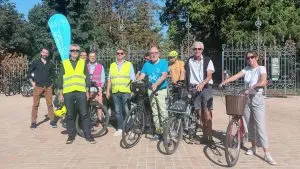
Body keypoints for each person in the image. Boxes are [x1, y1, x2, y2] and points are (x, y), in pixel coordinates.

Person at [219, 50, 277, 165]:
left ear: (256, 57)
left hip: (257, 98)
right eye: (248, 58)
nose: (250, 59)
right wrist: (224, 81)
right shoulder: (247, 69)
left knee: (260, 125)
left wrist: (252, 87)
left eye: (252, 57)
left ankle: (266, 153)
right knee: (249, 124)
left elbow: (263, 81)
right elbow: (236, 76)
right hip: (246, 99)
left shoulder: (261, 68)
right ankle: (253, 147)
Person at [57, 44, 96, 144]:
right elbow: (60, 79)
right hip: (68, 92)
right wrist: (60, 94)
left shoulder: (83, 63)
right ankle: (71, 136)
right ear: (69, 52)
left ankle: (88, 136)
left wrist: (87, 91)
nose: (74, 52)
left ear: (79, 52)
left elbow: (87, 77)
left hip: (81, 91)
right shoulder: (64, 63)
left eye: (77, 50)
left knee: (84, 114)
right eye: (72, 50)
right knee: (69, 115)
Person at [184, 41, 215, 144]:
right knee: (199, 112)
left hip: (206, 87)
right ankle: (204, 136)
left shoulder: (207, 60)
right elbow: (186, 74)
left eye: (199, 49)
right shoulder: (189, 61)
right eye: (195, 49)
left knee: (207, 112)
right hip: (194, 89)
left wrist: (202, 83)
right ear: (193, 50)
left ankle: (209, 138)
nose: (197, 51)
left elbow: (209, 75)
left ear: (202, 50)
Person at [137, 46, 169, 139]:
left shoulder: (163, 62)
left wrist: (156, 84)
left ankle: (166, 132)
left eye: (155, 52)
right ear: (149, 55)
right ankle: (158, 132)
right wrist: (136, 81)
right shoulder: (147, 64)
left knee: (163, 112)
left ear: (158, 54)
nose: (153, 54)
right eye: (151, 53)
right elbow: (142, 75)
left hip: (161, 90)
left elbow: (164, 75)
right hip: (150, 90)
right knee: (154, 112)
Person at [106, 48, 136, 136]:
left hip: (125, 91)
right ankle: (120, 128)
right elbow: (109, 79)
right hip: (115, 91)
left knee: (127, 111)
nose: (119, 54)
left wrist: (132, 90)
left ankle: (130, 129)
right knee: (118, 111)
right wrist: (108, 91)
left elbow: (133, 78)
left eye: (121, 53)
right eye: (118, 53)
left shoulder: (129, 64)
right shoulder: (112, 65)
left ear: (124, 55)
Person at [28, 48, 57, 128]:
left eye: (47, 53)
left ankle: (52, 121)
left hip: (48, 87)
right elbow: (29, 72)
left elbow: (54, 75)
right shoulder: (35, 62)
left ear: (48, 54)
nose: (45, 54)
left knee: (50, 104)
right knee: (35, 105)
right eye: (44, 52)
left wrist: (52, 84)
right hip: (38, 86)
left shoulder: (50, 64)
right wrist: (32, 82)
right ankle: (33, 122)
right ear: (41, 53)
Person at [87, 51, 105, 124]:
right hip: (88, 89)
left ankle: (99, 121)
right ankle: (87, 121)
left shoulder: (100, 66)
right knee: (87, 106)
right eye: (91, 56)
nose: (92, 58)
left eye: (93, 56)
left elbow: (103, 78)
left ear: (95, 57)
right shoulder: (85, 66)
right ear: (88, 57)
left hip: (97, 89)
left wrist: (101, 87)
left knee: (99, 106)